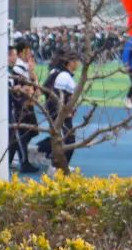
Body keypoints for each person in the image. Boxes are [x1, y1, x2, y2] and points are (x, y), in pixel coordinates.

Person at [36, 51, 81, 167]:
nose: (78, 64)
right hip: (61, 115)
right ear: (70, 62)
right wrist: (63, 111)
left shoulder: (64, 75)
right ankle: (57, 166)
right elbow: (58, 96)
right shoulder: (63, 76)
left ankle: (58, 165)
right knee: (67, 140)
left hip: (62, 114)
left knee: (64, 139)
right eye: (76, 61)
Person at [8, 42, 40, 174]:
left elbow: (35, 90)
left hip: (27, 106)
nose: (30, 55)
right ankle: (24, 162)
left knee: (26, 133)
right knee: (21, 134)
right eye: (28, 53)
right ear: (21, 53)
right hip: (20, 107)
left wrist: (33, 77)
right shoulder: (18, 69)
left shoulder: (25, 68)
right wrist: (23, 89)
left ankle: (9, 158)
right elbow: (20, 89)